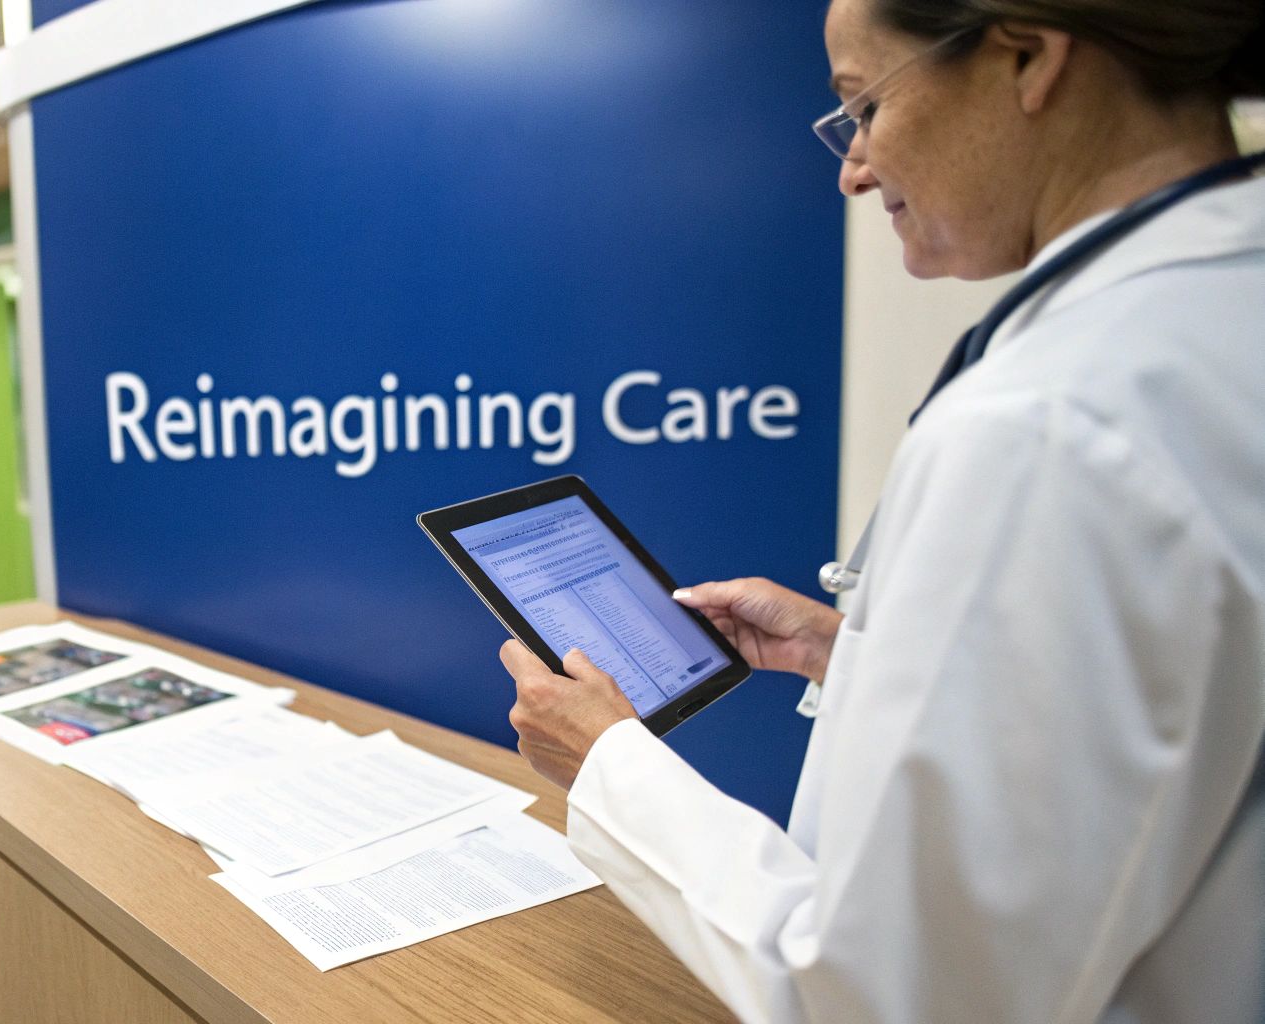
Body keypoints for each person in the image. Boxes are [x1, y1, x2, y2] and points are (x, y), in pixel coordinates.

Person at [499, 1, 1265, 1020]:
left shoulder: (1048, 421)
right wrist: (847, 655)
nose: (850, 168)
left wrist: (605, 767)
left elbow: (888, 996)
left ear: (1027, 59)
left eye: (862, 104)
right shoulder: (1213, 316)